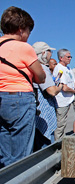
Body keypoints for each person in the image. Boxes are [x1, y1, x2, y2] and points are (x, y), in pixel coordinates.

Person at [0, 6, 46, 168]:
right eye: (28, 31)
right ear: (21, 29)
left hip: (1, 97)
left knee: (4, 146)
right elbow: (41, 77)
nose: (27, 36)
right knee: (21, 153)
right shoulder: (24, 48)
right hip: (19, 98)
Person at [32, 42, 62, 151]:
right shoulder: (42, 68)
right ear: (44, 53)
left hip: (36, 109)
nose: (51, 54)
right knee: (45, 143)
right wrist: (60, 87)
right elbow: (52, 91)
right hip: (44, 111)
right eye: (50, 52)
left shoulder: (32, 67)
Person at [53, 49, 75, 140]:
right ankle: (57, 145)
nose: (70, 58)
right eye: (68, 57)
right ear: (61, 58)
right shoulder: (59, 68)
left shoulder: (69, 69)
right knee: (61, 124)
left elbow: (74, 83)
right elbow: (64, 88)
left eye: (71, 57)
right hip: (62, 100)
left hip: (71, 97)